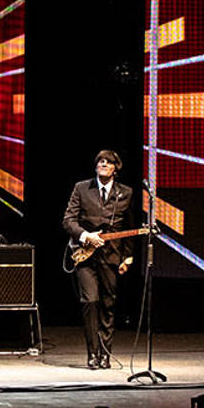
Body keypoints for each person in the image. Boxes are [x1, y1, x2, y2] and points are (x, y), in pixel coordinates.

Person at [62, 150, 133, 369]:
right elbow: (68, 220)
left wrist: (127, 256)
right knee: (90, 301)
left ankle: (105, 354)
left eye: (108, 162)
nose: (103, 164)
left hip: (111, 256)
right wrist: (86, 236)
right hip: (84, 255)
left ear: (115, 168)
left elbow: (129, 226)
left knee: (108, 305)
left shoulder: (125, 193)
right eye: (100, 161)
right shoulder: (82, 188)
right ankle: (92, 353)